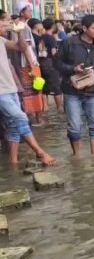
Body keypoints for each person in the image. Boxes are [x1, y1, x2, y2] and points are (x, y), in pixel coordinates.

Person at [0, 13, 56, 165]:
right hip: (2, 92)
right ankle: (40, 153)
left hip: (10, 89)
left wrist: (19, 33)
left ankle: (13, 163)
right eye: (4, 22)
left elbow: (22, 48)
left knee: (13, 127)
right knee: (21, 118)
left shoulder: (2, 40)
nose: (7, 25)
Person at [54, 14, 94, 157]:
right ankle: (77, 156)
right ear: (84, 28)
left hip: (93, 91)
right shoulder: (69, 43)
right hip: (72, 91)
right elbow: (56, 63)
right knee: (75, 126)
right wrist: (73, 69)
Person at [36, 18, 63, 112]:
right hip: (51, 64)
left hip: (42, 63)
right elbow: (53, 52)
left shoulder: (41, 37)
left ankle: (45, 107)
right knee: (56, 86)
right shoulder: (51, 38)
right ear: (52, 26)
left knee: (44, 87)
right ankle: (59, 108)